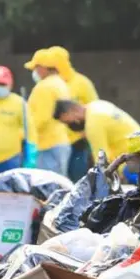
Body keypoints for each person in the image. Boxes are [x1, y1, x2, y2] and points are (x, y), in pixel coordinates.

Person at [49, 46, 99, 181]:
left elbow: (93, 105)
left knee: (78, 177)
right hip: (57, 141)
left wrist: (86, 132)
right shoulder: (49, 84)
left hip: (78, 140)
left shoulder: (82, 82)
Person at [24, 49, 71, 175]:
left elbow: (41, 118)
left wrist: (24, 134)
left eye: (36, 68)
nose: (35, 72)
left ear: (43, 68)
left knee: (47, 183)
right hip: (60, 141)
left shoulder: (44, 87)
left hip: (47, 144)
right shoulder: (60, 83)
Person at [53, 99, 140, 165]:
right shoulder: (97, 105)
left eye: (68, 122)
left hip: (132, 159)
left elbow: (102, 161)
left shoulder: (92, 124)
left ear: (74, 110)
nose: (69, 125)